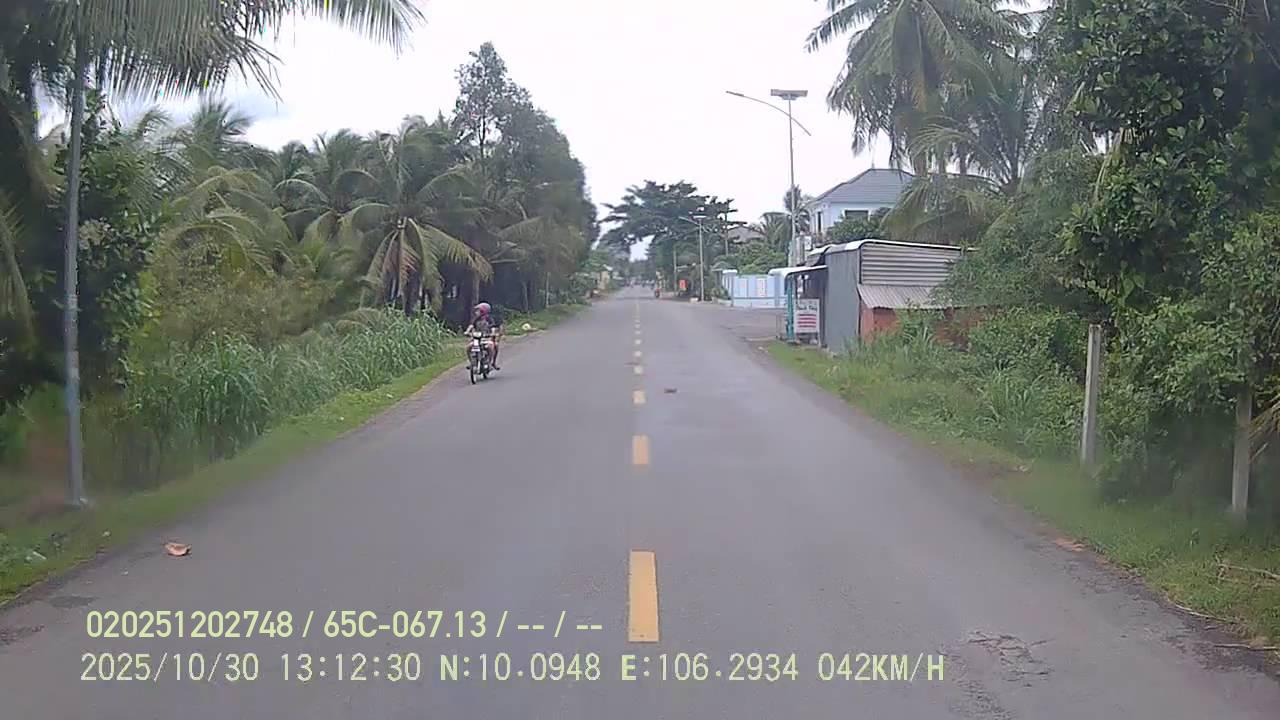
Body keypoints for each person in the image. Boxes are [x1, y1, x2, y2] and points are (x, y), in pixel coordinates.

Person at [465, 302, 503, 370]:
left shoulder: (489, 319)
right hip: (477, 338)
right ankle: (472, 362)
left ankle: (490, 363)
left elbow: (493, 327)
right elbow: (471, 326)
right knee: (469, 347)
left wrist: (493, 333)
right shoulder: (476, 319)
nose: (476, 312)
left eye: (478, 310)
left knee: (490, 347)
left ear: (483, 311)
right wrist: (467, 331)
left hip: (487, 338)